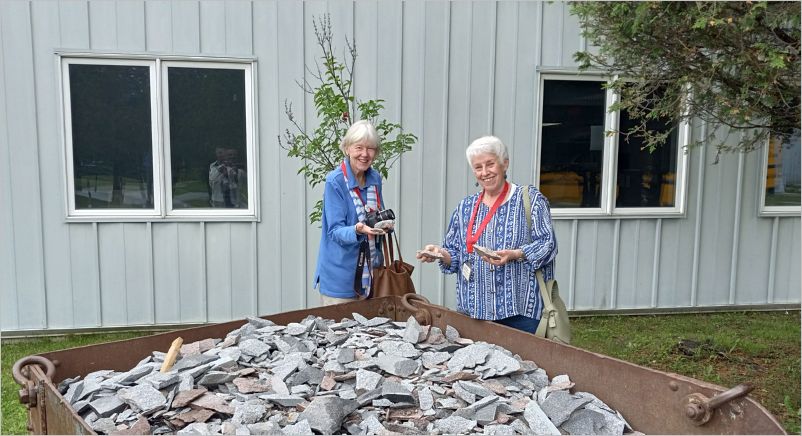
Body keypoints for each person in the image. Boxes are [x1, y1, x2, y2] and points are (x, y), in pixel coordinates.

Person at [417, 136, 557, 333]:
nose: (484, 173)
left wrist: (516, 254)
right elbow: (456, 254)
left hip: (520, 313)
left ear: (504, 164)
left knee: (523, 364)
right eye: (478, 167)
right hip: (474, 312)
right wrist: (440, 253)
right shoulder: (465, 207)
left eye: (490, 164)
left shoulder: (530, 200)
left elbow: (548, 244)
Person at [314, 120, 387, 306]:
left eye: (370, 149)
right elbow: (335, 231)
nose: (364, 154)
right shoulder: (335, 181)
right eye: (359, 147)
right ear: (347, 149)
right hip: (340, 279)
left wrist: (385, 224)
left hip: (371, 276)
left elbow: (378, 213)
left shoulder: (375, 179)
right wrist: (358, 229)